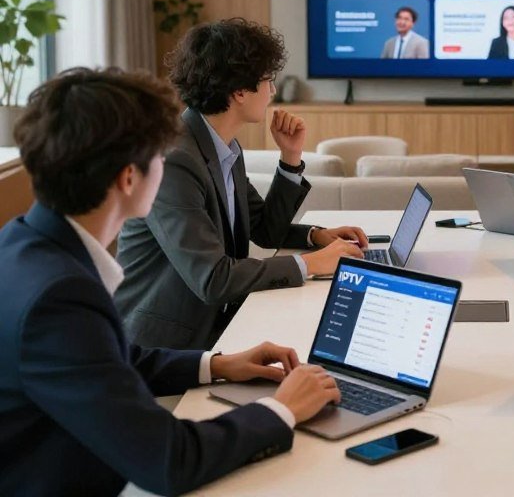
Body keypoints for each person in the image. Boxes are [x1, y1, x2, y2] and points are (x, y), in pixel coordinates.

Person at [0, 68, 342, 496]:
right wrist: (282, 409)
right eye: (161, 156)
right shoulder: (59, 297)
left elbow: (109, 359)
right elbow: (170, 459)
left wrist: (216, 365)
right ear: (128, 178)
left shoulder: (21, 243)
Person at [115, 19, 368, 351]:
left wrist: (292, 163)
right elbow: (213, 278)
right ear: (239, 91)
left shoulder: (222, 147)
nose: (273, 91)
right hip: (164, 347)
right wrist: (311, 263)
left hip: (217, 323)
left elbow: (264, 230)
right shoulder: (174, 160)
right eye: (268, 80)